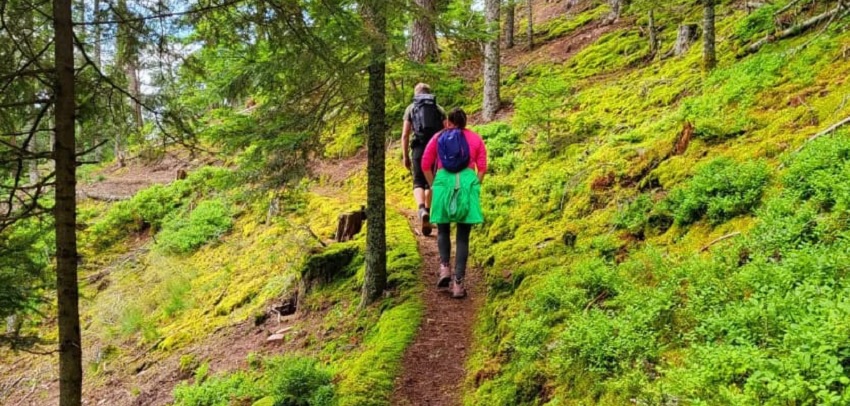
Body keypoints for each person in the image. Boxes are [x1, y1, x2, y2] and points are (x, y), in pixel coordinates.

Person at [421, 108, 487, 298]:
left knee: (442, 229)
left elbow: (425, 164)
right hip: (466, 183)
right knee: (463, 237)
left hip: (443, 183)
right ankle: (458, 284)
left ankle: (444, 268)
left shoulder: (438, 138)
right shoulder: (475, 139)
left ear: (449, 122)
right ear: (465, 122)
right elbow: (482, 167)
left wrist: (434, 184)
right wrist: (474, 185)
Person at [402, 83, 446, 236]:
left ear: (416, 93)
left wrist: (405, 156)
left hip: (418, 148)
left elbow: (405, 135)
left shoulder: (411, 108)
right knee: (431, 182)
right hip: (435, 149)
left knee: (418, 181)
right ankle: (427, 211)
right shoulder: (438, 108)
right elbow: (446, 131)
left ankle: (421, 210)